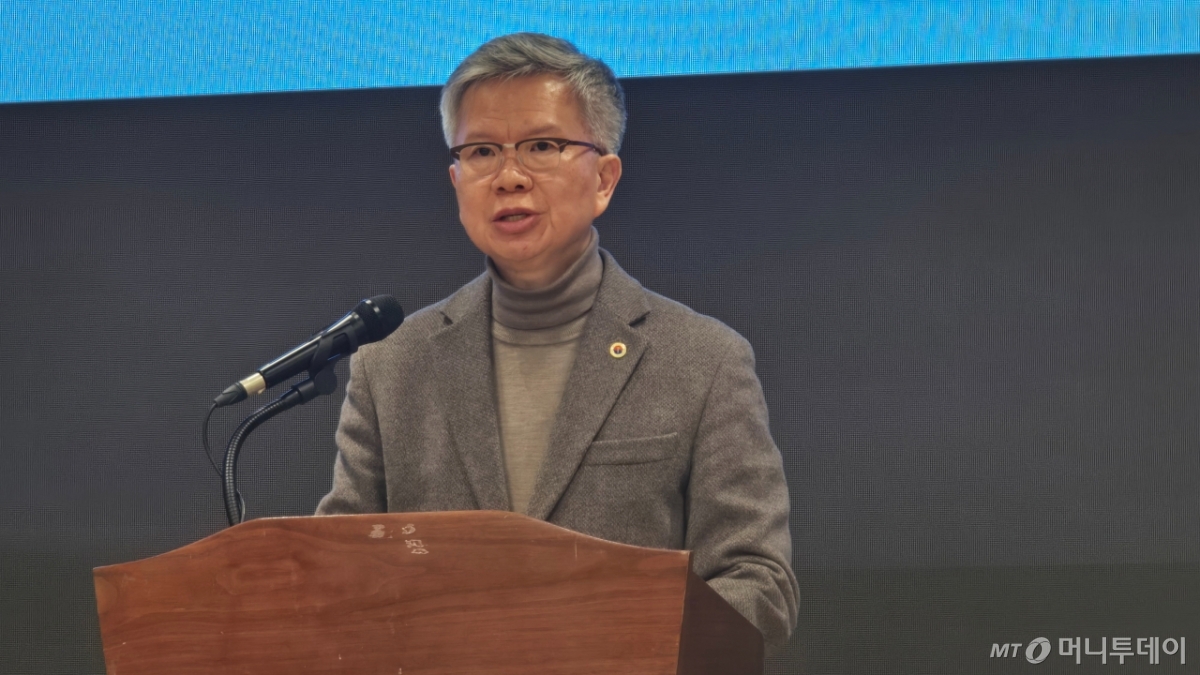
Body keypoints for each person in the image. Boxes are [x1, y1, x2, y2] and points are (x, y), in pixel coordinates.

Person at [316, 32, 799, 646]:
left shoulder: (702, 360)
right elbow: (337, 575)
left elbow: (757, 583)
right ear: (456, 179)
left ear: (604, 179)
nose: (509, 177)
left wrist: (605, 640)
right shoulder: (391, 366)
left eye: (542, 146)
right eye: (482, 151)